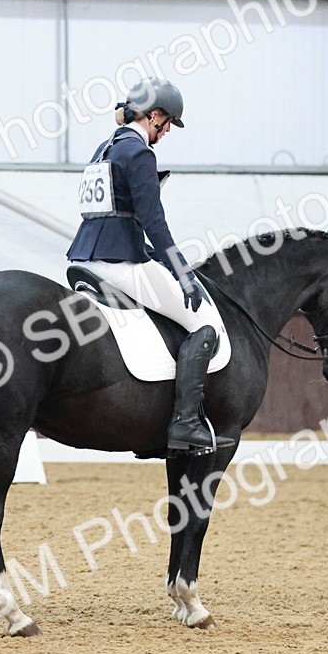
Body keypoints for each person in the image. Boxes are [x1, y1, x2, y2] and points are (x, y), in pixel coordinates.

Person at [66, 77, 232, 456]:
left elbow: (113, 215)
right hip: (120, 264)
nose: (168, 130)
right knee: (203, 323)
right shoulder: (139, 154)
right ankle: (186, 424)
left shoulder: (104, 148)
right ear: (153, 116)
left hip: (85, 258)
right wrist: (182, 272)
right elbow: (153, 220)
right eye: (168, 122)